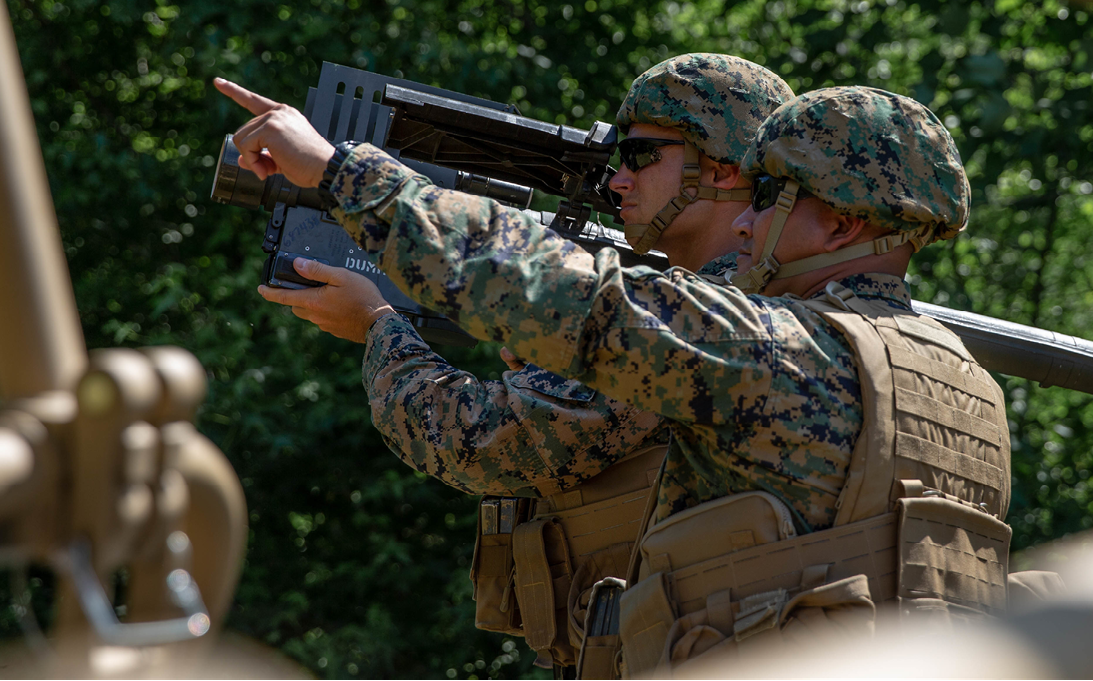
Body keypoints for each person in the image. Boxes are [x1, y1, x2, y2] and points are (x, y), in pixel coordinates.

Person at [216, 79, 1011, 674]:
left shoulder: (774, 350)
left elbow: (561, 298)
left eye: (768, 196)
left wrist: (342, 173)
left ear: (840, 221)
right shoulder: (966, 385)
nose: (742, 220)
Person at [252, 55, 794, 674]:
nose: (618, 181)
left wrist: (377, 328)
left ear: (724, 172)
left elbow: (480, 439)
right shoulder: (760, 305)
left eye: (643, 156)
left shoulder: (702, 323)